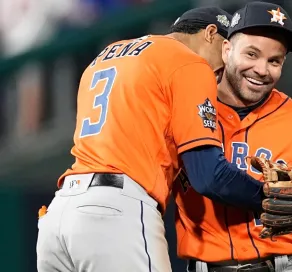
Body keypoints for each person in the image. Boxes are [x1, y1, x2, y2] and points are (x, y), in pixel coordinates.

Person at [36, 7, 270, 272]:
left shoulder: (107, 55)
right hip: (114, 214)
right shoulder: (190, 62)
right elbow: (208, 175)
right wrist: (267, 197)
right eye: (226, 49)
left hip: (59, 215)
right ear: (211, 33)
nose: (225, 68)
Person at [173, 2, 292, 272]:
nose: (261, 69)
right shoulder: (188, 109)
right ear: (226, 50)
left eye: (274, 61)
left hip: (282, 265)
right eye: (252, 54)